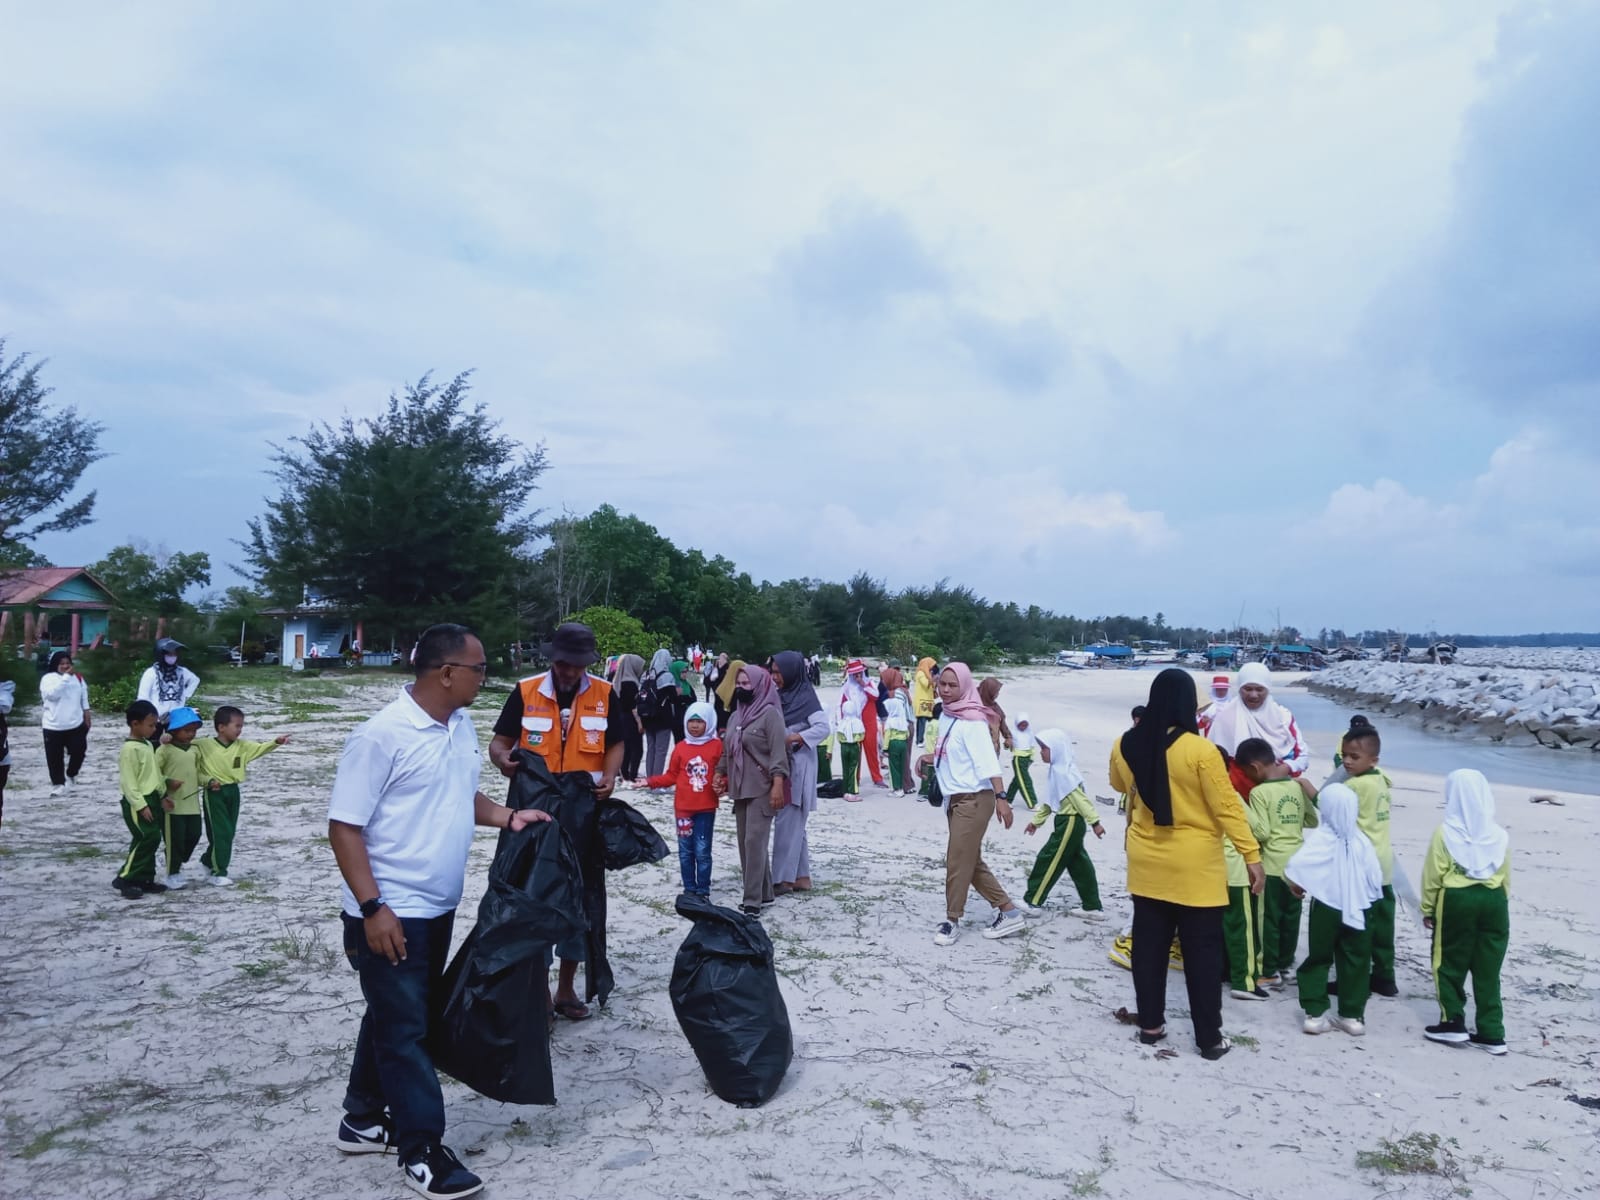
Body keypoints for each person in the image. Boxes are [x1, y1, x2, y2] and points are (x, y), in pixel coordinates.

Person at [329, 623, 549, 1199]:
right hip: (390, 908)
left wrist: (508, 817)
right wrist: (373, 907)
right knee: (408, 1029)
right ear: (446, 672)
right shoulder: (382, 736)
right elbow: (344, 827)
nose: (486, 677)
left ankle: (360, 1117)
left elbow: (457, 793)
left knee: (395, 1012)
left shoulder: (457, 729)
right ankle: (422, 1147)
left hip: (436, 906)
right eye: (479, 668)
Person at [1110, 668, 1263, 1060]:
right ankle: (1209, 1039)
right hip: (1196, 865)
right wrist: (1251, 855)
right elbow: (1227, 807)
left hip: (1146, 859)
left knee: (1148, 946)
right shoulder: (1200, 750)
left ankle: (1150, 1025)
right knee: (1202, 953)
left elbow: (1116, 783)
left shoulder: (1125, 744)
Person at [487, 621, 629, 1023]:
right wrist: (504, 761)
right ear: (553, 659)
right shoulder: (526, 691)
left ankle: (565, 990)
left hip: (583, 816)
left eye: (577, 665)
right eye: (563, 664)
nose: (569, 672)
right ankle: (537, 992)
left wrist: (610, 775)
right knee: (534, 897)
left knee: (579, 900)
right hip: (534, 813)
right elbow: (498, 744)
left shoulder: (604, 693)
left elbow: (616, 742)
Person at [919, 664, 1026, 946]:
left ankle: (952, 920)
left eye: (952, 686)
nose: (945, 690)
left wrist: (1003, 799)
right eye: (942, 684)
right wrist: (928, 758)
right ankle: (1009, 911)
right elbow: (952, 751)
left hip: (976, 799)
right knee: (969, 860)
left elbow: (989, 763)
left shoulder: (974, 722)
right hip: (954, 799)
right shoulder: (948, 715)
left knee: (957, 860)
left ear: (965, 686)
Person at [1422, 769, 1511, 1055]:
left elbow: (1433, 875)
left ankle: (1453, 1021)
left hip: (1457, 898)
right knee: (1488, 969)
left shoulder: (1446, 832)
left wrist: (1428, 908)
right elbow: (1505, 877)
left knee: (1447, 963)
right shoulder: (1498, 835)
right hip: (1495, 900)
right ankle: (1492, 1032)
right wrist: (1499, 903)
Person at [1285, 782, 1385, 1037]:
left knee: (1319, 957)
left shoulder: (1322, 838)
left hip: (1327, 907)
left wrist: (1298, 885)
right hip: (1360, 907)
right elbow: (1375, 876)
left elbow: (1298, 865)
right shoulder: (1362, 840)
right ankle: (1351, 1015)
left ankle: (1315, 1014)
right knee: (1356, 959)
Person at [1234, 737, 1319, 989]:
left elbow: (1262, 832)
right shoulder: (1295, 787)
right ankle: (1285, 964)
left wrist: (1241, 804)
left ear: (1255, 767)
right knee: (1291, 919)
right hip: (1297, 865)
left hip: (1272, 866)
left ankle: (1269, 970)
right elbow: (1312, 821)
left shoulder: (1259, 792)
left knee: (1268, 920)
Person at [712, 664, 789, 916]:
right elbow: (727, 750)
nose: (741, 688)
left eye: (746, 684)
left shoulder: (770, 715)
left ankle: (752, 901)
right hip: (739, 786)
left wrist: (778, 785)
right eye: (739, 683)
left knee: (754, 842)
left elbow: (779, 753)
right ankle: (765, 893)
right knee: (746, 844)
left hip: (763, 787)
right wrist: (720, 773)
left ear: (759, 685)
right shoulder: (737, 716)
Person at [194, 705, 289, 886]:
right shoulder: (203, 745)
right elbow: (184, 750)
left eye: (241, 726)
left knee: (228, 832)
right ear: (221, 727)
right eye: (236, 726)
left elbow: (260, 748)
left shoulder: (242, 746)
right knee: (220, 832)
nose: (240, 730)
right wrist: (207, 781)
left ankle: (208, 860)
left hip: (233, 791)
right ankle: (218, 871)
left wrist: (276, 742)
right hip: (214, 793)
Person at [1017, 728, 1106, 919]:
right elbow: (1050, 801)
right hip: (1066, 822)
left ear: (1057, 749)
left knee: (1049, 858)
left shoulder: (1065, 774)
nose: (1041, 752)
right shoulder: (1057, 771)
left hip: (1070, 823)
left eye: (1045, 749)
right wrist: (1036, 822)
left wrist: (1095, 822)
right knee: (1079, 864)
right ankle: (1092, 906)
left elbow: (1081, 801)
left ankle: (1033, 901)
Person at [1338, 720, 1398, 997]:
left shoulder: (1353, 788)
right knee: (1383, 925)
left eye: (1354, 757)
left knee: (1356, 927)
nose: (1347, 762)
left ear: (1372, 759)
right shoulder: (1382, 779)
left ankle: (1353, 980)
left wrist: (1307, 788)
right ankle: (1385, 977)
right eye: (1344, 756)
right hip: (1384, 862)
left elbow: (1330, 812)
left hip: (1361, 865)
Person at [646, 701, 722, 897]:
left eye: (700, 721)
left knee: (703, 851)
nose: (694, 726)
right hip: (683, 809)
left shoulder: (717, 746)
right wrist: (650, 782)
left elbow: (723, 773)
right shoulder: (680, 747)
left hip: (706, 808)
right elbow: (671, 776)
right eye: (691, 721)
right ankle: (689, 888)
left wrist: (723, 784)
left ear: (709, 723)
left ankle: (703, 889)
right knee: (685, 851)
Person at [769, 650, 830, 896]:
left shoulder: (805, 697)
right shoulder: (781, 696)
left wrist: (796, 737)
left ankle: (782, 880)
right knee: (794, 825)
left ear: (791, 672)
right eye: (772, 672)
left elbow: (823, 727)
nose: (774, 677)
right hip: (786, 764)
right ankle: (801, 877)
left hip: (799, 766)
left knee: (788, 821)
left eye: (778, 672)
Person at [114, 700, 178, 900]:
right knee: (146, 837)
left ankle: (145, 879)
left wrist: (163, 794)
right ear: (135, 724)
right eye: (150, 725)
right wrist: (140, 806)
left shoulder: (147, 745)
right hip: (138, 802)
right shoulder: (130, 750)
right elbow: (129, 782)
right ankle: (126, 878)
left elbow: (154, 775)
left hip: (152, 798)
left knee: (151, 838)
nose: (154, 729)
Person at [1203, 662, 1311, 776]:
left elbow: (1303, 757)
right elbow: (1213, 760)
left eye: (1260, 689)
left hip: (1278, 786)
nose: (1253, 695)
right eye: (1248, 689)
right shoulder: (1224, 718)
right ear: (1239, 689)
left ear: (1268, 689)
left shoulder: (1283, 717)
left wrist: (1287, 767)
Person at [156, 707, 207, 889]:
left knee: (194, 834)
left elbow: (199, 774)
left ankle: (174, 859)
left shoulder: (194, 750)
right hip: (172, 806)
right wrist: (167, 782)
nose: (191, 734)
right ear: (173, 730)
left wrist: (209, 781)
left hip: (192, 804)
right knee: (175, 840)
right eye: (186, 730)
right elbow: (153, 773)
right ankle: (172, 873)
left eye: (194, 730)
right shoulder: (165, 750)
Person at [41, 650, 91, 796]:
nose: (65, 666)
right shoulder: (48, 679)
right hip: (53, 725)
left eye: (68, 663)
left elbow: (84, 695)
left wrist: (87, 712)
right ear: (55, 664)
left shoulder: (78, 678)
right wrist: (65, 679)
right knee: (54, 757)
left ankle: (71, 773)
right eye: (62, 663)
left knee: (79, 751)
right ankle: (58, 783)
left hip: (75, 723)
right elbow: (52, 695)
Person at [137, 637, 200, 738]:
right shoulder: (151, 673)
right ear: (161, 654)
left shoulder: (181, 672)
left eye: (175, 654)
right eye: (169, 654)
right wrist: (147, 714)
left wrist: (185, 694)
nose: (172, 657)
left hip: (175, 717)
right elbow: (142, 697)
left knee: (175, 744)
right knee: (153, 743)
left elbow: (195, 680)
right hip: (155, 717)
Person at [834, 660, 870, 800]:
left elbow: (839, 736)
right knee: (853, 768)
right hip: (854, 745)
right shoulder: (846, 688)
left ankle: (845, 790)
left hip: (844, 746)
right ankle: (852, 792)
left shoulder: (842, 723)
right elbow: (861, 735)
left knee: (845, 767)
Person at [641, 649, 680, 777]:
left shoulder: (646, 674)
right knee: (661, 750)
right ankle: (656, 782)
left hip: (647, 716)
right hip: (663, 718)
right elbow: (674, 698)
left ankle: (649, 778)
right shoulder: (667, 676)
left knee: (650, 749)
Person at [611, 653, 647, 785]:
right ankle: (632, 775)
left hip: (620, 718)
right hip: (630, 719)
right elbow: (633, 707)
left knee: (625, 748)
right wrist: (639, 723)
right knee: (637, 749)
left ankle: (623, 773)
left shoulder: (617, 681)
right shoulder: (631, 683)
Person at [881, 674, 913, 793]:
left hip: (897, 734)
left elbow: (887, 734)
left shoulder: (897, 693)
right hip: (905, 729)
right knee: (905, 759)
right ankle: (908, 784)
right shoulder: (903, 690)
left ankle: (901, 787)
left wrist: (885, 748)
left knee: (898, 764)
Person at [1004, 712, 1039, 810]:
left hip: (1027, 759)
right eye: (1021, 724)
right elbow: (1007, 745)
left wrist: (1031, 758)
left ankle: (1008, 800)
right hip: (1018, 759)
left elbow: (1032, 745)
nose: (1023, 726)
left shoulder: (1030, 732)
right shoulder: (1013, 732)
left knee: (1018, 780)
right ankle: (1032, 803)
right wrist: (1007, 744)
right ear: (1017, 723)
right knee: (1025, 781)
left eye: (1025, 724)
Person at [978, 677, 1013, 753]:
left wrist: (1008, 737)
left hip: (993, 749)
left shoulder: (996, 708)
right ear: (989, 692)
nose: (997, 694)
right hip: (977, 748)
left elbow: (1003, 724)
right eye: (996, 692)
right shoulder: (973, 706)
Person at [911, 657, 937, 748]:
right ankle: (919, 740)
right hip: (922, 701)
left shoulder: (928, 675)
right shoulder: (921, 673)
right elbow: (926, 684)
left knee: (930, 721)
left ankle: (928, 739)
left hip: (928, 701)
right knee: (921, 721)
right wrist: (933, 678)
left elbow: (932, 687)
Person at [703, 653, 733, 730]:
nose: (720, 660)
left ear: (726, 660)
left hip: (727, 702)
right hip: (717, 700)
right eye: (720, 658)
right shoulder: (715, 669)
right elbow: (707, 682)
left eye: (723, 658)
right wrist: (709, 675)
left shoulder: (728, 670)